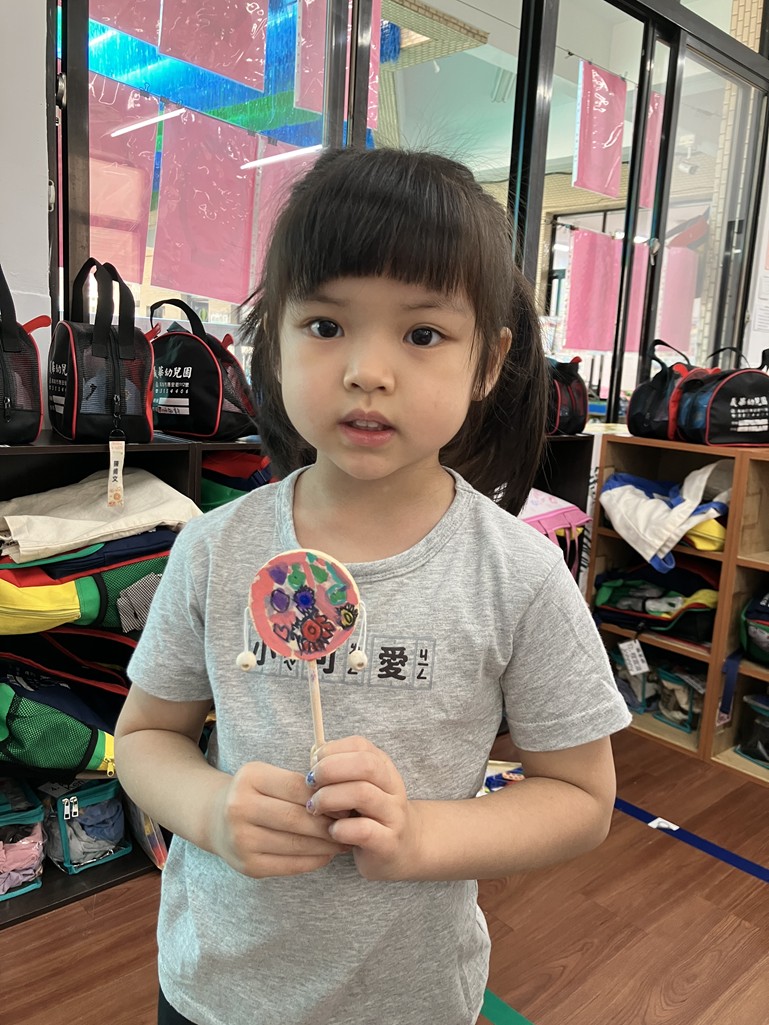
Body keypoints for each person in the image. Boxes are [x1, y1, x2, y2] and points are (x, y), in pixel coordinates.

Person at [116, 147, 631, 1025]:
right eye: (324, 325)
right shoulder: (213, 548)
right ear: (274, 339)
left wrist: (421, 833)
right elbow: (144, 738)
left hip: (411, 1000)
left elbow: (581, 798)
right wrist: (210, 808)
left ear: (487, 360)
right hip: (214, 991)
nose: (367, 370)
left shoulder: (518, 574)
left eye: (422, 334)